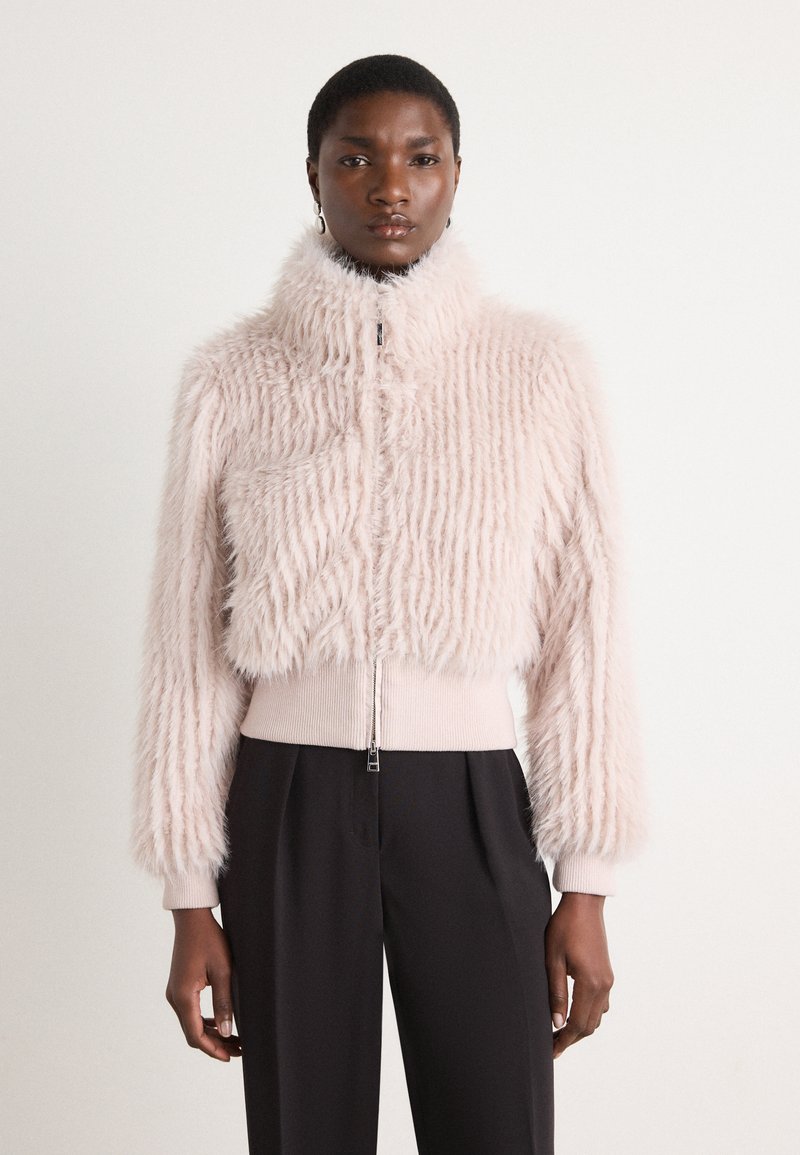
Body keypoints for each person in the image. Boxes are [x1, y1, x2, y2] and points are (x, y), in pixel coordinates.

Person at [131, 53, 648, 1155]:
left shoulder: (538, 372)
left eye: (420, 157)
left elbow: (585, 633)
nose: (390, 186)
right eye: (355, 158)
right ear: (312, 176)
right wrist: (187, 895)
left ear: (457, 173)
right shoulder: (232, 377)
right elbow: (188, 642)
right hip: (286, 804)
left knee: (496, 1128)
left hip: (471, 805)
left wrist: (585, 884)